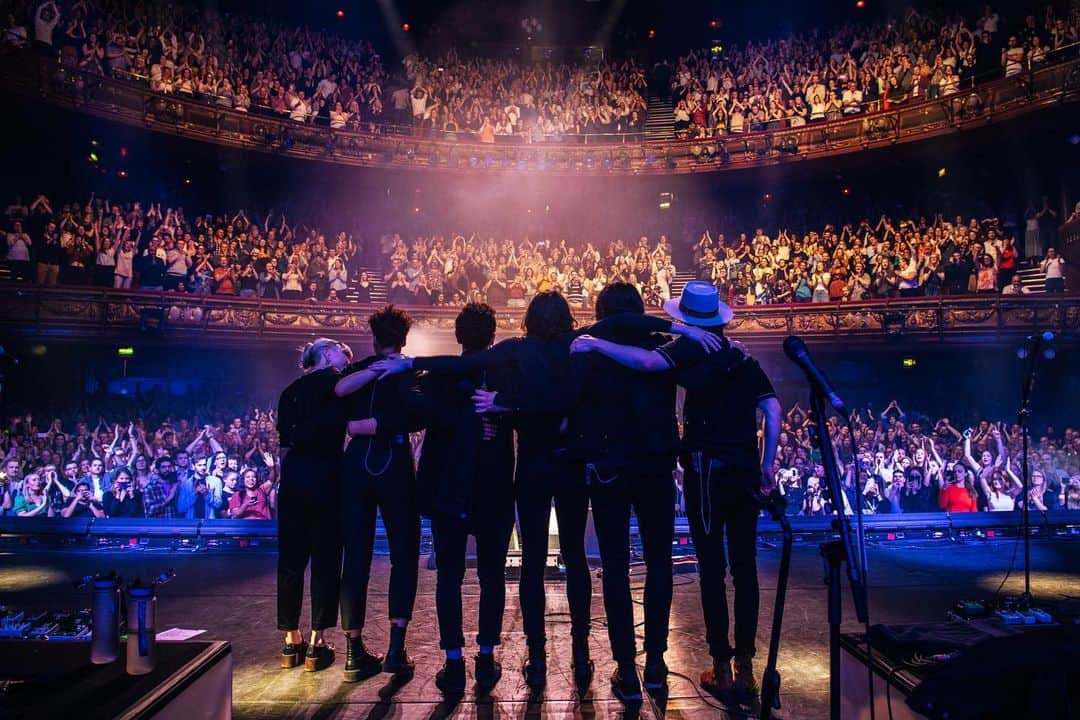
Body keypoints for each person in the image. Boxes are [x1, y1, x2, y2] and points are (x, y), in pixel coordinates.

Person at [374, 291, 719, 693]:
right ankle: (584, 655)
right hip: (577, 466)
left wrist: (415, 363)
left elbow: (464, 363)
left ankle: (537, 660)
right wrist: (678, 326)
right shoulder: (583, 346)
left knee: (534, 565)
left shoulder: (518, 350)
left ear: (529, 321)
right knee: (578, 560)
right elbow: (587, 371)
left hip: (534, 470)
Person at [569, 281, 780, 701]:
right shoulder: (703, 348)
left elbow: (645, 365)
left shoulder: (616, 348)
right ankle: (663, 666)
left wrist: (600, 339)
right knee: (677, 566)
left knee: (619, 567)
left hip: (634, 470)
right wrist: (767, 463)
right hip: (672, 469)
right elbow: (771, 406)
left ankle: (630, 669)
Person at [337, 307, 424, 682]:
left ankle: (354, 652)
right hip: (395, 463)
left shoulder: (358, 371)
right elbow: (421, 414)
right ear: (403, 340)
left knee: (356, 555)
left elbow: (336, 399)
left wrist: (362, 426)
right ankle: (395, 648)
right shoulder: (406, 372)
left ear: (373, 339)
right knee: (404, 554)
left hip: (356, 463)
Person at [275, 337, 351, 672]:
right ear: (325, 355)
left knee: (291, 559)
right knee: (325, 559)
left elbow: (283, 448)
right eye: (339, 350)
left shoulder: (289, 391)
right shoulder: (337, 384)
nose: (345, 356)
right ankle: (317, 642)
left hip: (293, 479)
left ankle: (291, 639)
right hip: (327, 477)